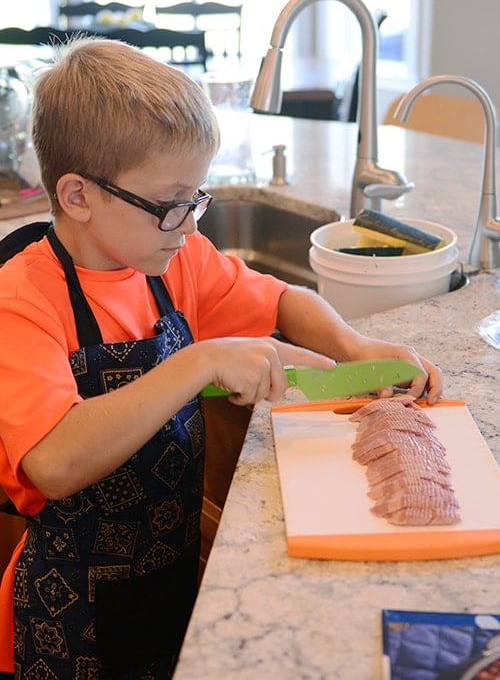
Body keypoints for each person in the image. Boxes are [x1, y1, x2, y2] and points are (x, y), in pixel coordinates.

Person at [0, 37, 442, 679]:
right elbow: (54, 462)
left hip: (170, 577)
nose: (190, 223)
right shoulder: (21, 299)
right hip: (70, 617)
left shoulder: (171, 253)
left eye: (199, 197)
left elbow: (282, 299)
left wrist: (354, 348)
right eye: (172, 202)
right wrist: (199, 361)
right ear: (77, 196)